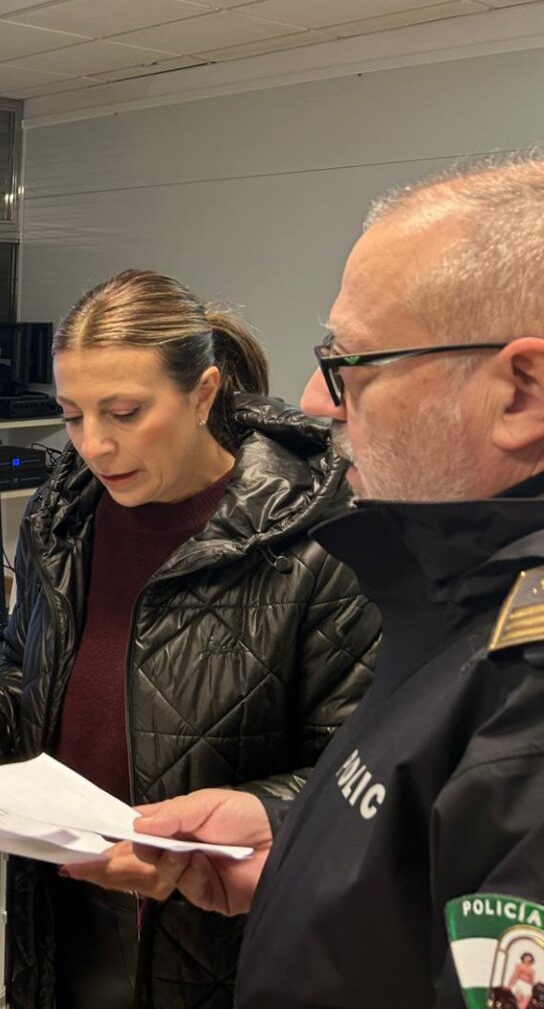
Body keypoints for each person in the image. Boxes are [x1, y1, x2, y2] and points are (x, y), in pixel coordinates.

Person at [128, 156, 544, 1006]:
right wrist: (295, 846)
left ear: (521, 393)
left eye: (352, 359)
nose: (317, 400)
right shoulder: (468, 596)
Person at [0, 270, 380, 1009]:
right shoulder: (59, 520)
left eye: (125, 412)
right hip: (62, 907)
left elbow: (356, 775)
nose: (95, 445)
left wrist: (208, 840)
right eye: (72, 416)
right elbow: (24, 670)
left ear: (203, 393)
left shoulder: (316, 541)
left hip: (217, 936)